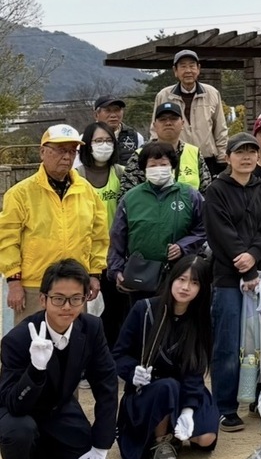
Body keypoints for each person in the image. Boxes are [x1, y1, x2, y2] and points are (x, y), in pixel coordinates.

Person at [0, 259, 117, 459]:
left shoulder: (92, 328)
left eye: (76, 299)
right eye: (58, 299)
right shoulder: (17, 340)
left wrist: (101, 443)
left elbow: (106, 384)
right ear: (43, 300)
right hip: (20, 412)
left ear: (86, 298)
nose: (67, 307)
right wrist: (35, 370)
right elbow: (13, 403)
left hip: (60, 408)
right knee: (20, 429)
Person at [204, 133, 261, 433]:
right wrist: (242, 259)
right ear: (228, 157)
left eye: (252, 152)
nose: (247, 157)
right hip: (227, 277)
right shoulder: (216, 191)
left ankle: (258, 398)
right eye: (240, 152)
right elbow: (219, 231)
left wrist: (255, 255)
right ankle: (225, 406)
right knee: (228, 341)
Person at [112, 256, 218, 459]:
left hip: (184, 390)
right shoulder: (144, 310)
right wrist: (133, 372)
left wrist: (188, 409)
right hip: (148, 392)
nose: (186, 287)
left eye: (194, 282)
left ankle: (172, 429)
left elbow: (194, 371)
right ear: (171, 279)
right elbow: (118, 355)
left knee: (206, 438)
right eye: (181, 279)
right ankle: (160, 442)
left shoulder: (199, 320)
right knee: (166, 387)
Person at [0, 125, 108, 324]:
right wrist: (14, 282)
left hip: (76, 284)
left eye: (71, 151)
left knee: (74, 343)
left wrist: (94, 273)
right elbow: (7, 239)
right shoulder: (20, 193)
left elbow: (98, 236)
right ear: (42, 152)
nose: (67, 157)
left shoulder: (86, 191)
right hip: (34, 285)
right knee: (32, 344)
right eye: (60, 150)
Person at [108, 142, 206, 304]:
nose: (158, 169)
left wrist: (183, 246)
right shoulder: (131, 198)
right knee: (145, 321)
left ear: (172, 166)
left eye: (163, 164)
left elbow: (204, 228)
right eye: (153, 165)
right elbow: (118, 237)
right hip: (140, 276)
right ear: (144, 169)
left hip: (179, 276)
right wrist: (116, 270)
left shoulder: (190, 195)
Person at [76, 122, 126, 345]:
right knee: (85, 310)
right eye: (98, 141)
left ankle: (111, 356)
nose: (103, 146)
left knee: (116, 309)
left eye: (108, 141)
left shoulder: (121, 174)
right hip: (87, 255)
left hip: (116, 254)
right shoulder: (76, 176)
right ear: (87, 145)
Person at [152, 50, 228, 177]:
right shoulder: (164, 95)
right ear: (175, 71)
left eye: (192, 65)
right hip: (175, 159)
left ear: (198, 69)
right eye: (183, 66)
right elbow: (155, 130)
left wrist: (222, 159)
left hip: (207, 159)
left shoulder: (212, 93)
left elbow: (220, 129)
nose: (188, 70)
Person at [120, 102, 211, 199]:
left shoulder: (194, 153)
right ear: (155, 125)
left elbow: (207, 193)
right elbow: (127, 197)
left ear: (182, 123)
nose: (168, 123)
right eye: (163, 119)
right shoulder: (141, 154)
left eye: (173, 119)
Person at [94, 95, 144, 166]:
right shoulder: (86, 138)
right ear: (96, 115)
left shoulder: (136, 137)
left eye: (117, 110)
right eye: (108, 110)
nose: (113, 115)